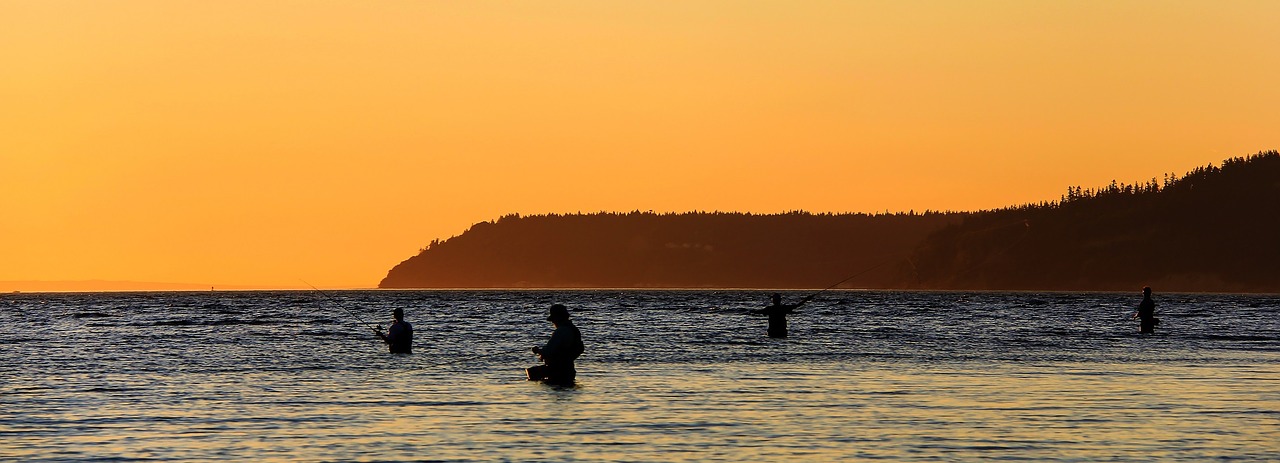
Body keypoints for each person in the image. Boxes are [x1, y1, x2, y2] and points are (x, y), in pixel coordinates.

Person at [527, 304, 584, 385]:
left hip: (557, 371)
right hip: (569, 370)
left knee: (532, 374)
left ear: (558, 318)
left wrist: (537, 351)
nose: (553, 322)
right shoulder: (574, 330)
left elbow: (548, 351)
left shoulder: (561, 331)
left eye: (553, 319)